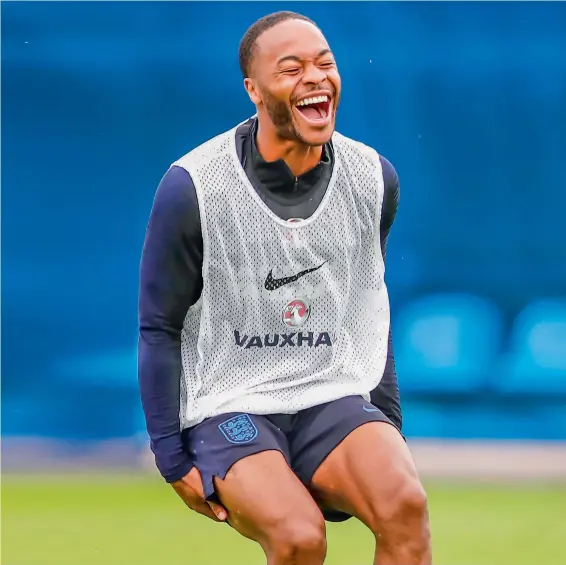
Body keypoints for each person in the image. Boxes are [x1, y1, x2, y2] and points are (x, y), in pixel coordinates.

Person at [138, 10, 432, 565]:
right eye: (291, 68)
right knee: (300, 538)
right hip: (230, 404)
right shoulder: (193, 187)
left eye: (325, 63)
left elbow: (370, 305)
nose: (315, 77)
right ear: (253, 89)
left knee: (405, 507)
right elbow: (159, 326)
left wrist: (385, 424)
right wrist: (170, 458)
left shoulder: (373, 178)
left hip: (331, 394)